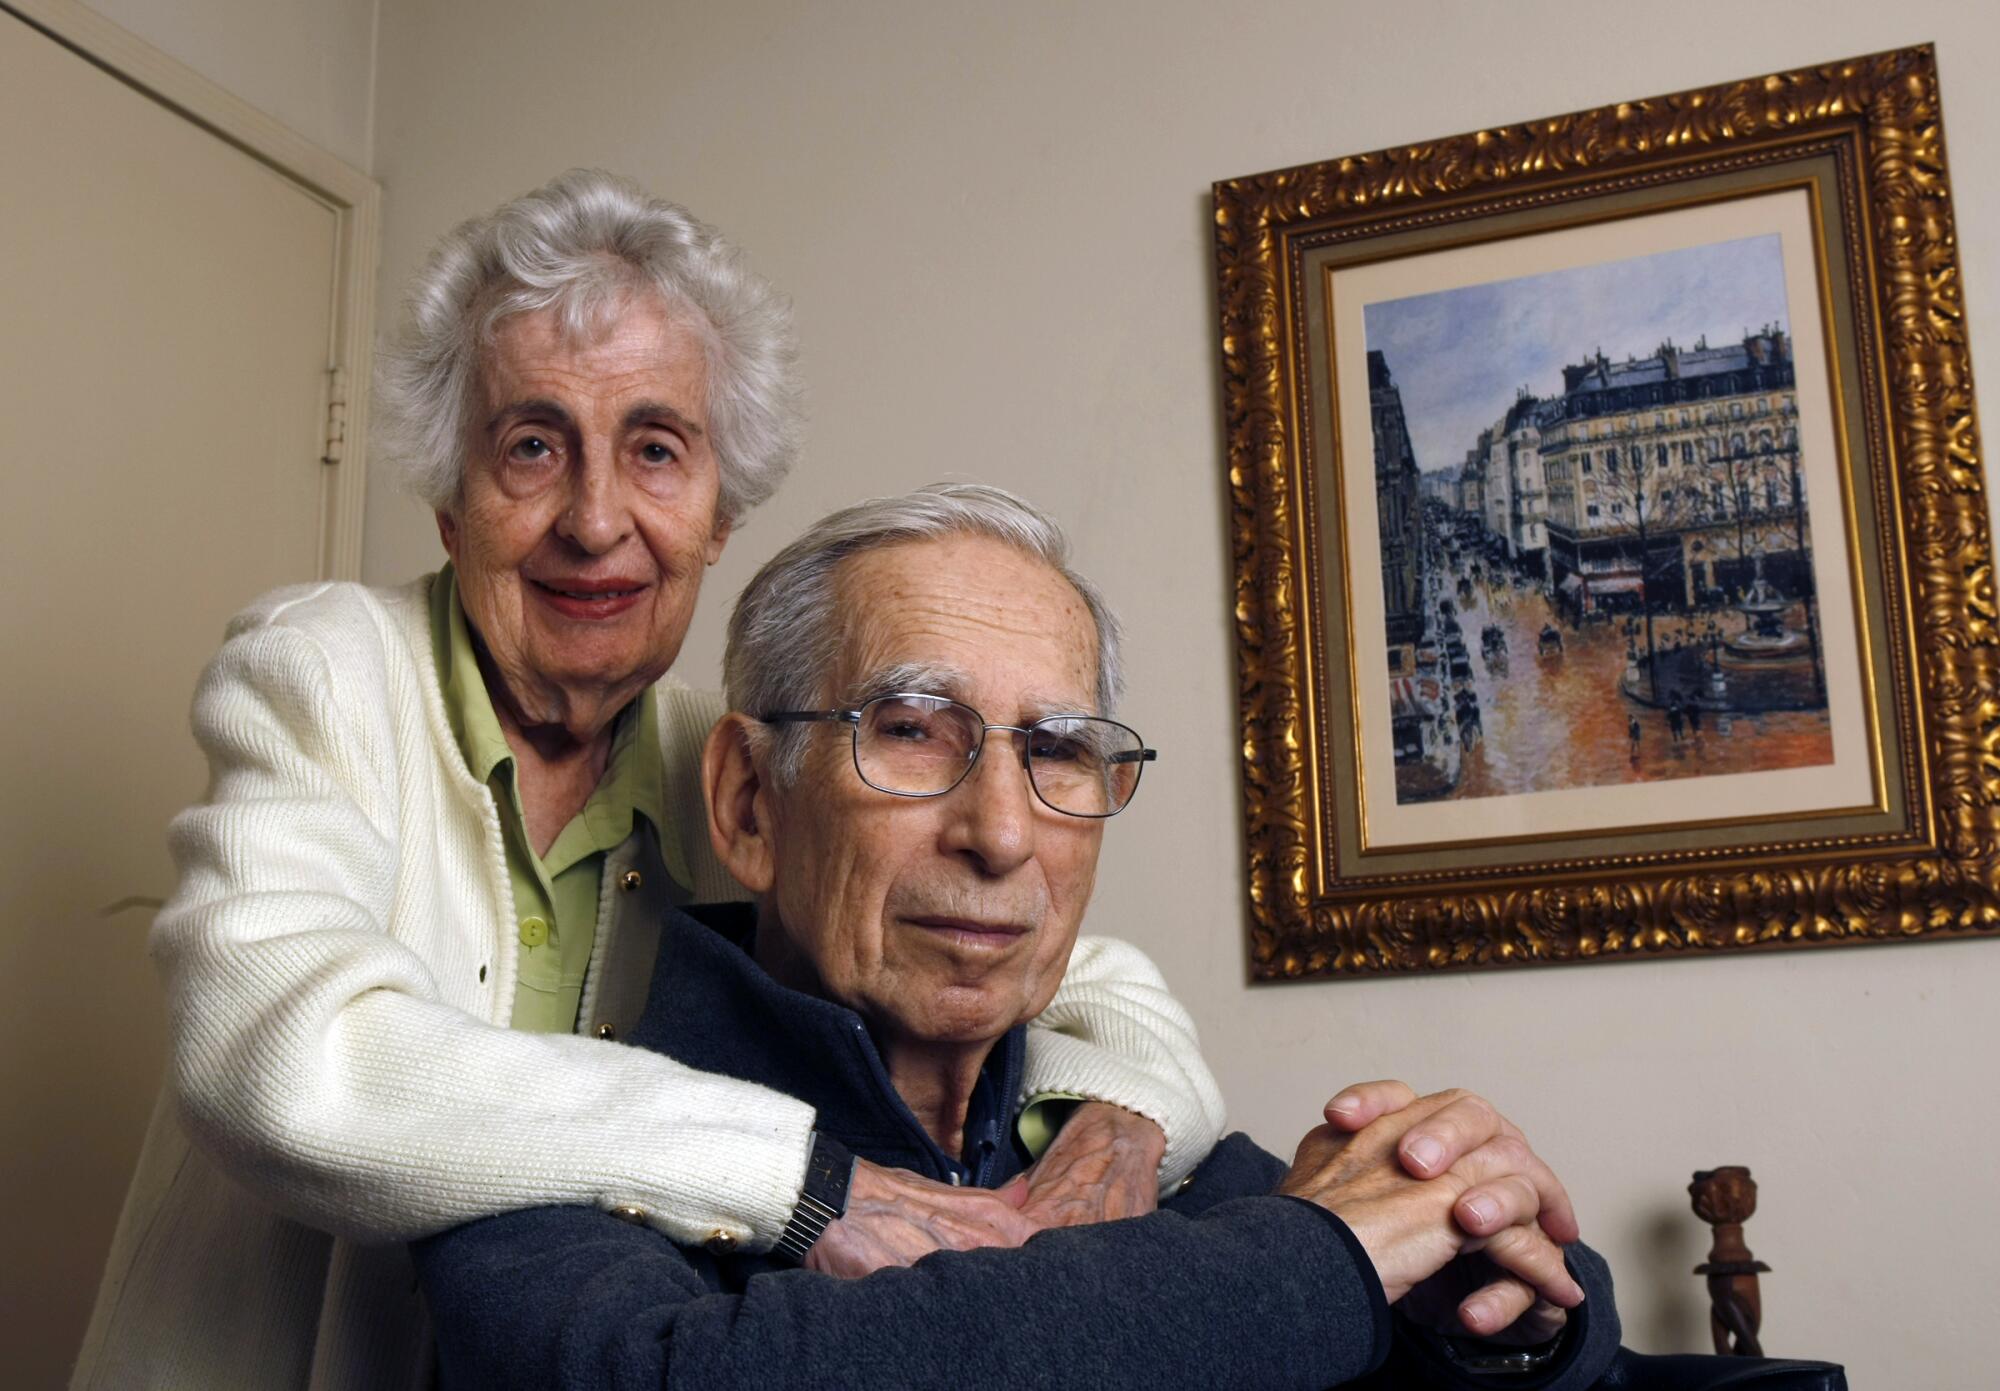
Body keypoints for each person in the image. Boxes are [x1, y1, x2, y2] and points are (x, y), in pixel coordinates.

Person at [72, 174, 1224, 1390]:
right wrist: (798, 1176)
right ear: (450, 500)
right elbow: (279, 1057)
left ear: (721, 513)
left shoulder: (719, 757)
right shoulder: (327, 669)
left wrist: (1119, 1115)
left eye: (656, 450)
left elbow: (1037, 943)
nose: (595, 517)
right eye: (531, 445)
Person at [414, 485, 1621, 1389]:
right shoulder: (547, 1149)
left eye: (1055, 750)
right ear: (745, 801)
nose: (999, 834)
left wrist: (1491, 1286)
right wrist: (1321, 1261)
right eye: (910, 730)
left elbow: (1556, 1337)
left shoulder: (1139, 1139)